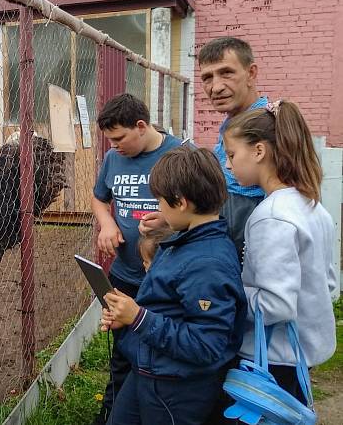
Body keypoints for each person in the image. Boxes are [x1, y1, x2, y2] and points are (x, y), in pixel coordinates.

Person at [101, 146, 247, 425]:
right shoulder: (184, 239)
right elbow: (168, 305)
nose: (158, 209)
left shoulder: (207, 263)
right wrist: (127, 321)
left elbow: (207, 345)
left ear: (180, 202)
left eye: (159, 202)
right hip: (153, 371)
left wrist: (138, 317)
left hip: (176, 389)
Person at [222, 99, 336, 404]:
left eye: (232, 155)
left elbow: (276, 305)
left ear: (259, 151)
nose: (228, 165)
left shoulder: (270, 216)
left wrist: (227, 293)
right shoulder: (313, 206)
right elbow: (329, 284)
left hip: (272, 360)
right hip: (300, 353)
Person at [89, 93, 181, 424]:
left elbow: (203, 210)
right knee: (123, 353)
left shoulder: (180, 154)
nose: (114, 146)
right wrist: (108, 223)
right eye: (109, 140)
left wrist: (167, 221)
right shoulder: (114, 160)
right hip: (125, 274)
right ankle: (115, 412)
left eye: (119, 138)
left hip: (164, 277)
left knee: (159, 351)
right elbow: (100, 199)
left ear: (141, 126)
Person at [140, 37, 267, 261]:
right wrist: (176, 217)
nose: (216, 87)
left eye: (226, 72)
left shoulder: (268, 128)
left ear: (251, 73)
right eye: (207, 78)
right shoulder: (231, 126)